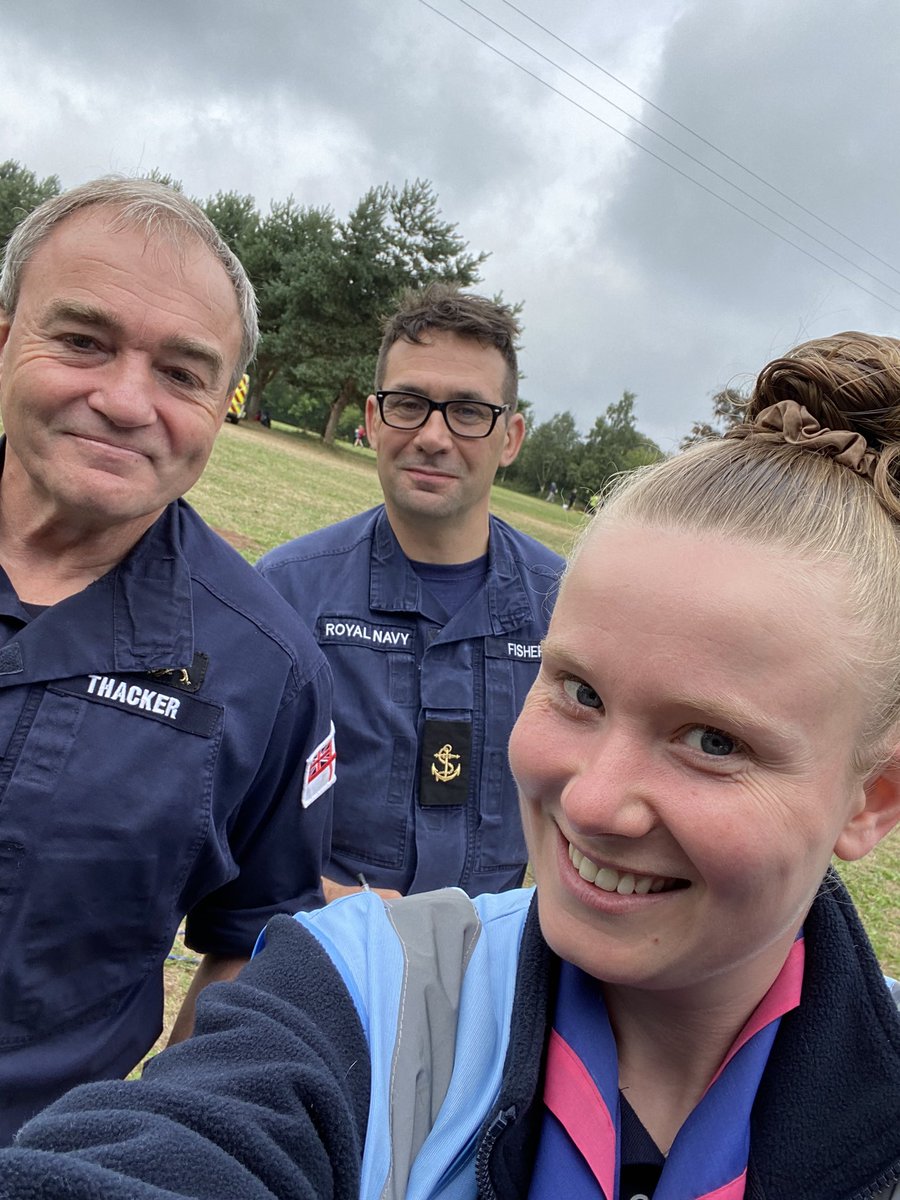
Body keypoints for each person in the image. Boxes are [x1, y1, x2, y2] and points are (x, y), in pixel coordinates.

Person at [2, 330, 899, 1198]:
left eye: (713, 741)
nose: (591, 801)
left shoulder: (548, 591)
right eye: (579, 693)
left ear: (876, 796)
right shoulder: (354, 990)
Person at [0, 178, 335, 1143]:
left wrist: (137, 1146)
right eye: (83, 341)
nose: (124, 400)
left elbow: (250, 941)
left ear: (224, 403)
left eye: (184, 372)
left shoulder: (270, 674)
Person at [258, 283, 563, 900]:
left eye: (470, 411)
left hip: (496, 967)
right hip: (318, 952)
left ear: (511, 438)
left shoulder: (568, 611)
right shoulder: (285, 595)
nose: (433, 435)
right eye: (409, 403)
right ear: (373, 420)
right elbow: (223, 813)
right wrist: (341, 907)